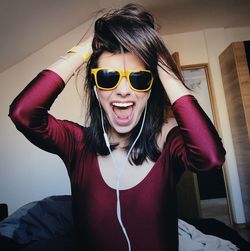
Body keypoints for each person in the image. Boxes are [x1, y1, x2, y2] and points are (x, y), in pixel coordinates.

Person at [9, 3, 226, 251]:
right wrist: (85, 49)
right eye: (109, 77)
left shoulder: (168, 138)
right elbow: (22, 113)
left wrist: (160, 63)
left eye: (139, 78)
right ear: (95, 87)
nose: (123, 90)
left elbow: (210, 158)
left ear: (151, 88)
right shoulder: (77, 144)